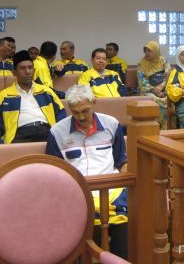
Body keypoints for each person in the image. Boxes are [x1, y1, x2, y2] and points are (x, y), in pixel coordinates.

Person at [46, 85, 128, 259]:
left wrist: (125, 186)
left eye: (85, 111)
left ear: (94, 103)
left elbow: (122, 162)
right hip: (78, 191)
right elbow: (54, 172)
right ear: (69, 108)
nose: (81, 117)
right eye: (76, 112)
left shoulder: (112, 124)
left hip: (111, 189)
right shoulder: (57, 132)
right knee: (77, 223)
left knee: (124, 221)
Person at [0, 50, 66, 143]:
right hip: (19, 136)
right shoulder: (4, 96)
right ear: (14, 72)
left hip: (47, 131)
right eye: (22, 68)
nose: (27, 71)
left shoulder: (46, 91)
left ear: (34, 70)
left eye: (30, 68)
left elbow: (61, 113)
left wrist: (59, 133)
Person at [137, 41, 172, 129]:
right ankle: (154, 128)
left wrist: (161, 87)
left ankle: (167, 129)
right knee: (151, 98)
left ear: (156, 51)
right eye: (145, 51)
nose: (147, 53)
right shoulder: (142, 63)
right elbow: (142, 81)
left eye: (149, 51)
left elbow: (169, 75)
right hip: (148, 91)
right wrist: (155, 90)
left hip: (164, 89)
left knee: (171, 97)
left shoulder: (163, 60)